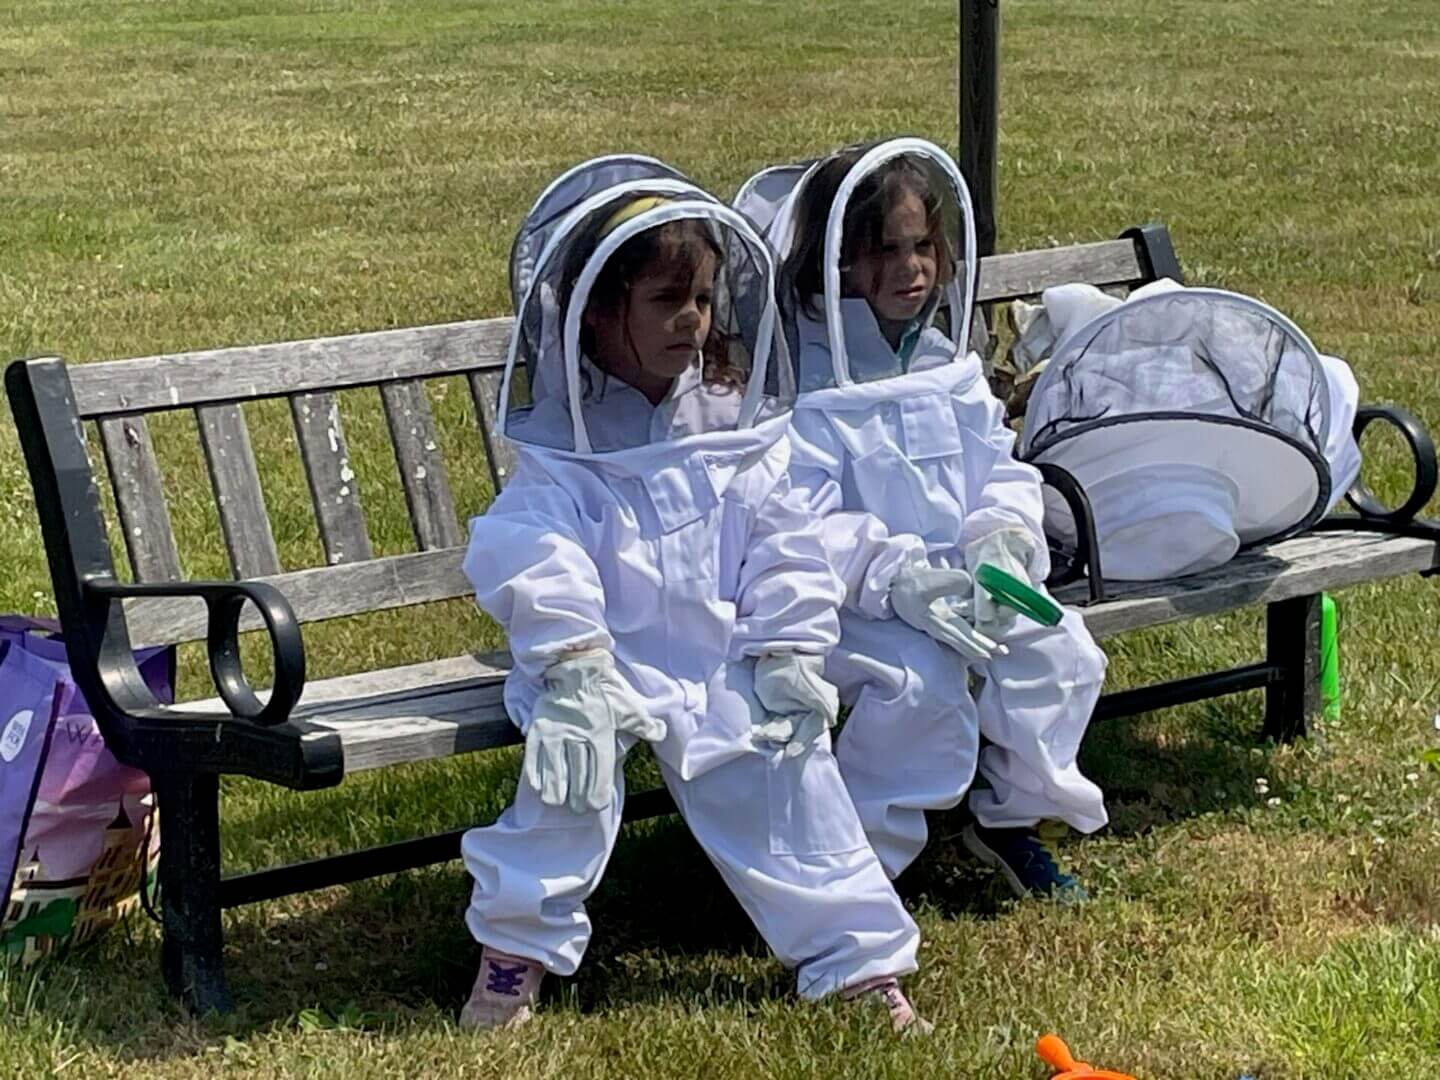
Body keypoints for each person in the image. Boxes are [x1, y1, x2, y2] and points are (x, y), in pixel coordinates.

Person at [458, 160, 926, 1034]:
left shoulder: (727, 420)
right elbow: (534, 551)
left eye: (705, 299)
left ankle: (859, 966)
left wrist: (787, 646)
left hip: (723, 661)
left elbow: (783, 536)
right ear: (597, 313)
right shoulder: (567, 444)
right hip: (603, 665)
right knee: (572, 782)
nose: (693, 320)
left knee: (791, 781)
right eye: (667, 299)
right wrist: (573, 666)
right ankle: (513, 951)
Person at [744, 137, 1108, 901]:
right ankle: (856, 869)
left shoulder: (940, 357)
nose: (910, 268)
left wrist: (1004, 544)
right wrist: (899, 578)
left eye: (921, 247)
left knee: (1061, 652)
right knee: (918, 683)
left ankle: (1011, 822)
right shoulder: (802, 373)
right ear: (833, 261)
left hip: (967, 586)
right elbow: (794, 519)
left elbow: (999, 469)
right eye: (884, 250)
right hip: (853, 605)